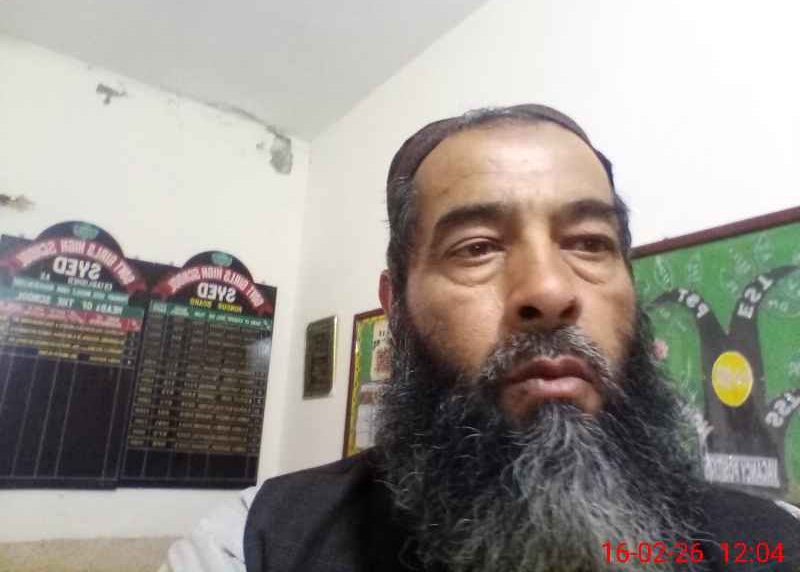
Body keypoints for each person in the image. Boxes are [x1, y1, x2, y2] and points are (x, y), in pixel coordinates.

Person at [162, 105, 800, 572]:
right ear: (396, 308)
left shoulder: (773, 544)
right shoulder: (254, 543)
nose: (548, 289)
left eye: (588, 243)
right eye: (476, 248)